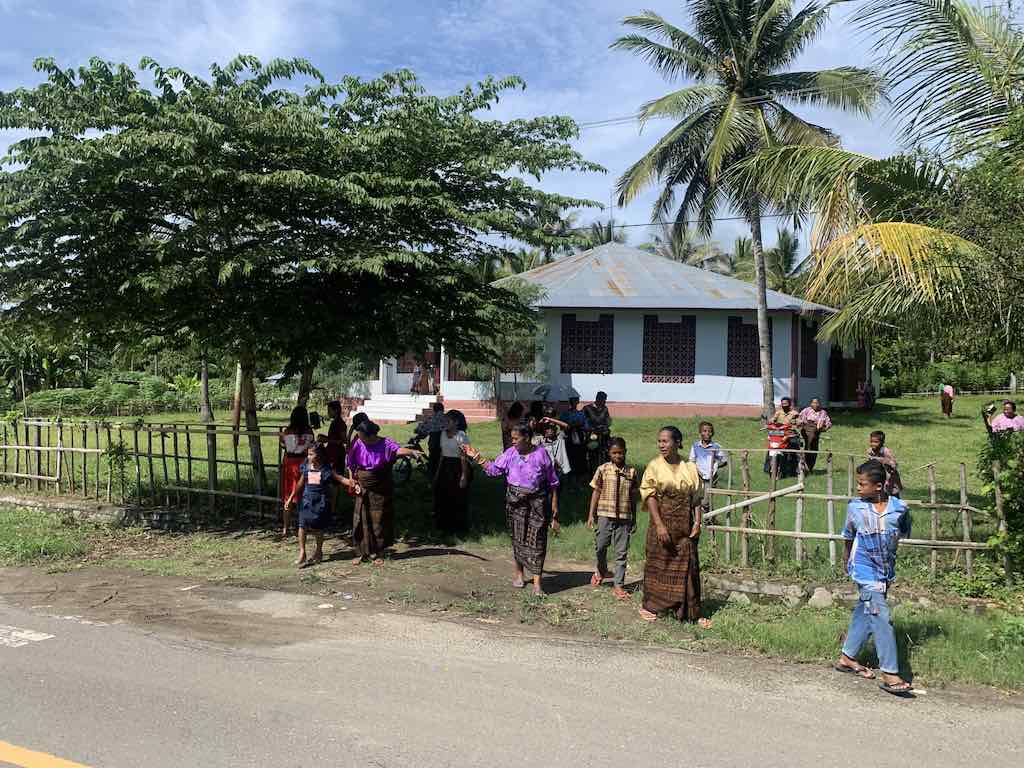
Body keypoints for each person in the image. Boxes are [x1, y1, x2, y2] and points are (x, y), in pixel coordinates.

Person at [834, 459, 913, 697]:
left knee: (865, 610)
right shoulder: (855, 507)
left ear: (878, 486)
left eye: (862, 484)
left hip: (884, 569)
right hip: (863, 568)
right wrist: (846, 560)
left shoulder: (900, 508)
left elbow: (902, 533)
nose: (858, 488)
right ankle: (890, 673)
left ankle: (847, 657)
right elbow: (848, 535)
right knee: (881, 616)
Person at [462, 422, 560, 596]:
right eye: (511, 438)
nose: (513, 441)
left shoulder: (541, 454)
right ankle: (519, 575)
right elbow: (493, 470)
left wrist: (554, 505)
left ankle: (537, 584)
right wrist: (476, 456)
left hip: (537, 503)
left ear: (527, 438)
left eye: (516, 438)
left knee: (537, 541)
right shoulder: (510, 454)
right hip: (515, 503)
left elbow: (552, 481)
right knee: (518, 539)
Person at [638, 426, 711, 628]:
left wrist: (697, 522)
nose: (661, 445)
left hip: (685, 526)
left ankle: (690, 613)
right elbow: (650, 496)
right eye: (659, 441)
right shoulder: (654, 466)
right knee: (658, 564)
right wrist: (660, 525)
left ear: (677, 442)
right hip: (662, 523)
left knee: (690, 565)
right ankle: (650, 606)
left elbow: (696, 499)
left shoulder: (690, 468)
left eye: (665, 441)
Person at [346, 420, 423, 565]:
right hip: (362, 487)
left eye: (361, 435)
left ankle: (379, 552)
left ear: (370, 436)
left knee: (379, 519)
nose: (359, 437)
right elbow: (350, 462)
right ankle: (362, 552)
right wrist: (352, 480)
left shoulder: (385, 443)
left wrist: (411, 452)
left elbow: (398, 450)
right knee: (360, 519)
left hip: (381, 487)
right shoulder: (358, 443)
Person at [285, 443, 359, 568]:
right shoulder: (306, 466)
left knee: (318, 528)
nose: (308, 457)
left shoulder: (326, 469)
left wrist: (353, 484)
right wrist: (291, 498)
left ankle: (319, 551)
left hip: (320, 502)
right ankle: (302, 552)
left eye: (311, 454)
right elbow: (300, 483)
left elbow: (340, 478)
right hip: (306, 500)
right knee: (301, 526)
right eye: (308, 454)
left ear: (318, 455)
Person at [586, 437, 638, 600]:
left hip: (624, 518)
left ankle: (619, 585)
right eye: (614, 453)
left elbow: (633, 496)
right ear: (609, 453)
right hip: (604, 515)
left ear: (625, 452)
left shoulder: (632, 472)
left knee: (621, 552)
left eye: (620, 453)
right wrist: (591, 514)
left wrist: (633, 518)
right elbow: (596, 491)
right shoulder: (603, 469)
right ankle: (601, 570)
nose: (618, 456)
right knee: (600, 546)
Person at [279, 406, 315, 537]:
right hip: (305, 462)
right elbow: (312, 446)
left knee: (288, 495)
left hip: (290, 464)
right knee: (306, 494)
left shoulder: (287, 431)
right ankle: (306, 525)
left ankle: (285, 528)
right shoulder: (309, 431)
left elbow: (283, 444)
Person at [433, 410, 471, 533]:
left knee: (457, 496)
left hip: (458, 467)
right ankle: (443, 525)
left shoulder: (461, 435)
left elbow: (464, 457)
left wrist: (464, 476)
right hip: (445, 466)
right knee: (443, 495)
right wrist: (437, 474)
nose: (445, 423)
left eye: (448, 421)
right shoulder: (442, 434)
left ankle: (458, 527)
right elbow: (442, 455)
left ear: (456, 422)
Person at [320, 401, 348, 515]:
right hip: (331, 453)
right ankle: (329, 507)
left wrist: (327, 440)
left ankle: (332, 510)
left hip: (337, 455)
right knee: (330, 480)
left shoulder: (340, 424)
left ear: (335, 410)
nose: (328, 412)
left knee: (335, 482)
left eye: (329, 410)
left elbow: (343, 440)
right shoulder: (334, 423)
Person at [798, 397, 832, 472]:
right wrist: (801, 424)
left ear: (820, 404)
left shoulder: (823, 412)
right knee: (808, 447)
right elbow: (799, 419)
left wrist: (824, 428)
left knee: (814, 449)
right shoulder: (806, 410)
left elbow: (828, 423)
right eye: (813, 402)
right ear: (811, 403)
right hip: (806, 430)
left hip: (816, 432)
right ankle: (804, 465)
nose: (815, 404)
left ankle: (809, 467)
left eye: (817, 403)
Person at [689, 421, 728, 485]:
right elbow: (691, 461)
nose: (707, 433)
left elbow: (724, 461)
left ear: (712, 433)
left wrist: (715, 466)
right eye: (704, 431)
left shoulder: (716, 446)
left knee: (709, 493)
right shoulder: (695, 446)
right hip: (698, 477)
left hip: (712, 478)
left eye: (709, 431)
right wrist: (697, 471)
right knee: (698, 494)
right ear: (700, 433)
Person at [559, 396, 589, 478]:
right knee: (570, 455)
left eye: (576, 400)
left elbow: (586, 426)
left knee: (580, 455)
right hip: (568, 437)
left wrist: (579, 426)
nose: (575, 402)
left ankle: (580, 474)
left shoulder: (581, 413)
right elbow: (561, 425)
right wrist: (570, 426)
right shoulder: (565, 414)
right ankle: (570, 474)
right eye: (573, 400)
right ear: (570, 401)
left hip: (579, 437)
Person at [867, 431, 903, 498]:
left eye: (876, 442)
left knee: (893, 495)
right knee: (880, 494)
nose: (873, 444)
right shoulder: (870, 451)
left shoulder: (886, 451)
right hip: (878, 475)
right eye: (871, 441)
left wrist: (883, 460)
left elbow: (894, 465)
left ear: (882, 442)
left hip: (890, 477)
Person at [416, 402, 447, 478]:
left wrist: (418, 430)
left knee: (433, 462)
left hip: (434, 444)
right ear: (443, 409)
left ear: (434, 410)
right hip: (446, 444)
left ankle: (432, 477)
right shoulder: (447, 418)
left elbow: (424, 429)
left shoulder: (432, 418)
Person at [583, 391, 613, 470]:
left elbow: (607, 420)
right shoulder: (587, 408)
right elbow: (584, 421)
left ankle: (603, 468)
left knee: (604, 452)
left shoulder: (605, 409)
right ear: (597, 399)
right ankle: (591, 470)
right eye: (603, 400)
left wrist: (607, 424)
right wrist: (590, 429)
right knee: (592, 453)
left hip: (603, 435)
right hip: (591, 435)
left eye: (605, 400)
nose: (604, 402)